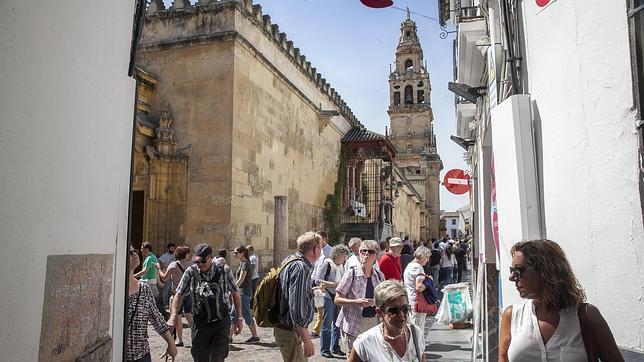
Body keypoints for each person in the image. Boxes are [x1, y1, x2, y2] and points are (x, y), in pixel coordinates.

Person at [499, 239, 623, 362]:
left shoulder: (586, 316)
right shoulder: (512, 315)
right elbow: (503, 358)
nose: (511, 277)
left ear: (546, 271)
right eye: (511, 270)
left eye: (519, 270)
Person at [169, 243, 243, 361]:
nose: (199, 265)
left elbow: (235, 293)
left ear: (210, 258)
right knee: (200, 358)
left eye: (202, 262)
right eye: (197, 262)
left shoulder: (224, 270)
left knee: (217, 358)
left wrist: (239, 318)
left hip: (221, 323)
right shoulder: (191, 271)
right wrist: (173, 316)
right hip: (200, 322)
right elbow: (179, 294)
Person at [349, 280, 426, 362]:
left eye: (405, 308)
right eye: (393, 310)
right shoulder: (364, 343)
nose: (401, 315)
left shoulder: (416, 334)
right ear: (379, 312)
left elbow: (422, 359)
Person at [274, 231, 321, 361]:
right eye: (320, 247)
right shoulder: (301, 268)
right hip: (291, 331)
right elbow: (296, 307)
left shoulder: (291, 260)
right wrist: (307, 340)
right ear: (314, 249)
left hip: (288, 329)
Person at [127, 245, 177, 362]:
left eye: (135, 251)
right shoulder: (114, 290)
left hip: (142, 355)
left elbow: (156, 318)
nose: (134, 254)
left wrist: (171, 344)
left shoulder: (144, 289)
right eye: (130, 253)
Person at [335, 240, 385, 353]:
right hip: (354, 323)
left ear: (376, 256)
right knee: (354, 357)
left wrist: (375, 302)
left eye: (370, 251)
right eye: (363, 251)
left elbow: (383, 301)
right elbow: (337, 299)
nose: (366, 254)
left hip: (373, 323)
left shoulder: (379, 276)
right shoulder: (351, 273)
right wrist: (356, 302)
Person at [312, 244, 350, 358]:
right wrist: (333, 284)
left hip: (338, 297)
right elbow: (317, 280)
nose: (344, 258)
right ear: (337, 255)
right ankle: (325, 349)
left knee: (337, 324)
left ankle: (335, 347)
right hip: (328, 296)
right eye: (343, 256)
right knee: (327, 324)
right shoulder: (327, 263)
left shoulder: (342, 266)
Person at [156, 245, 193, 347]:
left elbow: (164, 278)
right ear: (185, 254)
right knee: (189, 316)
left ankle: (180, 340)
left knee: (178, 317)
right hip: (188, 293)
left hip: (177, 294)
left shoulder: (173, 265)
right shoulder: (190, 265)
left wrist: (159, 268)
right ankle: (196, 336)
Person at [230, 245, 260, 343]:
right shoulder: (243, 263)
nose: (234, 254)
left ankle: (255, 336)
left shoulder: (245, 264)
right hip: (241, 292)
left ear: (242, 253)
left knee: (246, 314)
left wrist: (232, 289)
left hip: (243, 293)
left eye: (236, 252)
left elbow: (241, 279)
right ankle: (228, 337)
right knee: (233, 314)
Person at [403, 246, 431, 333]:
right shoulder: (418, 267)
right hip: (417, 302)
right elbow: (419, 287)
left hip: (411, 300)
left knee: (413, 329)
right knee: (418, 330)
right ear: (422, 256)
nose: (428, 260)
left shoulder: (409, 265)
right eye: (427, 257)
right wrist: (429, 282)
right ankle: (418, 346)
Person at [310, 231, 333, 338]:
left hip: (323, 284)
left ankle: (317, 330)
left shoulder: (330, 251)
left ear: (324, 239)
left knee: (321, 308)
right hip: (315, 282)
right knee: (319, 306)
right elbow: (316, 267)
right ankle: (318, 328)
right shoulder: (320, 251)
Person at [158, 242, 177, 310]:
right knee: (166, 289)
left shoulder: (176, 255)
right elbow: (159, 261)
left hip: (175, 274)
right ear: (169, 248)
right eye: (171, 248)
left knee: (174, 289)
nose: (173, 249)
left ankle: (173, 304)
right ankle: (165, 304)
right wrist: (162, 267)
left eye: (174, 248)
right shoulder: (165, 255)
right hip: (167, 274)